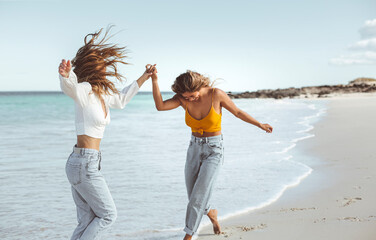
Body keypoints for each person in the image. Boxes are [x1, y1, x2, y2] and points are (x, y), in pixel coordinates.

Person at [151, 68, 273, 240]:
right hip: (193, 149)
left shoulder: (216, 95)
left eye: (191, 95)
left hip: (214, 151)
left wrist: (260, 124)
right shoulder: (182, 98)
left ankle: (188, 235)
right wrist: (155, 80)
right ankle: (212, 214)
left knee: (197, 198)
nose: (189, 99)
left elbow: (237, 112)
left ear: (199, 86)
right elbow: (160, 106)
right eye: (185, 97)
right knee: (194, 195)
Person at [58, 27, 154, 240]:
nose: (104, 69)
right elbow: (70, 88)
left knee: (87, 220)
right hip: (83, 163)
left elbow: (122, 99)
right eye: (99, 65)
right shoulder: (83, 90)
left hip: (84, 162)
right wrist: (66, 76)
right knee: (108, 215)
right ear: (91, 68)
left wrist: (144, 77)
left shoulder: (102, 93)